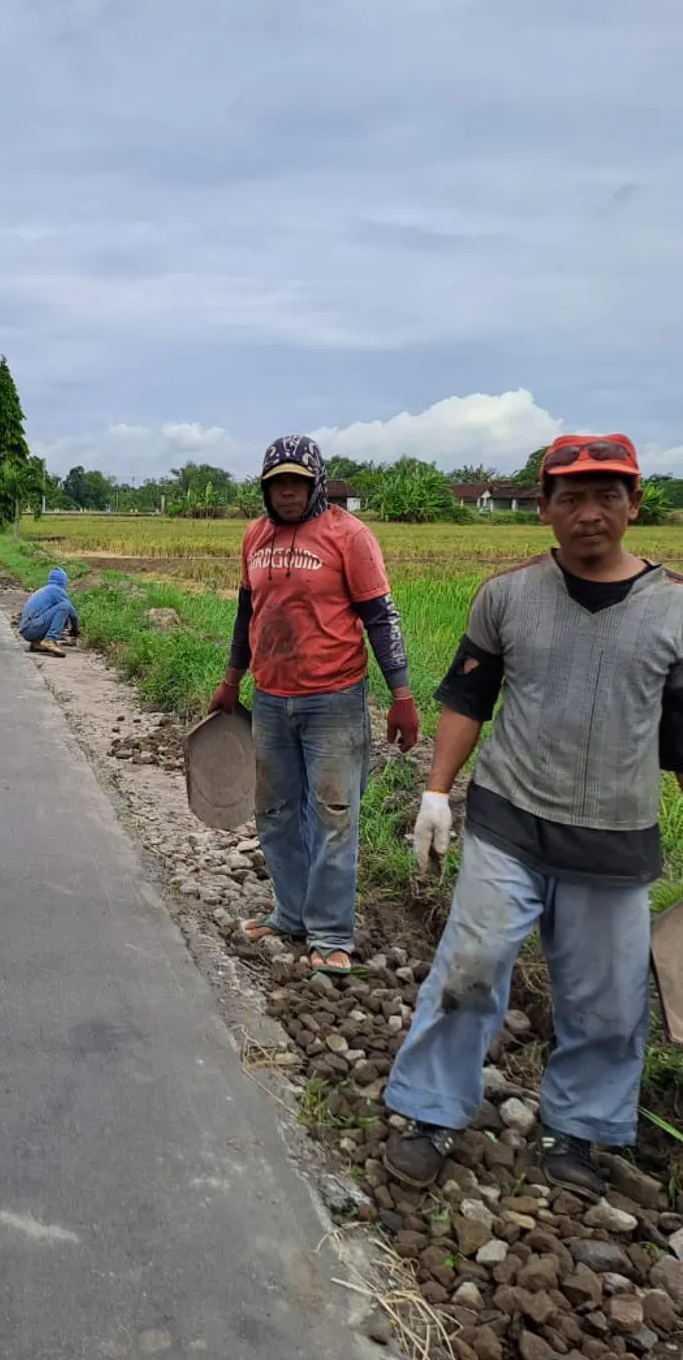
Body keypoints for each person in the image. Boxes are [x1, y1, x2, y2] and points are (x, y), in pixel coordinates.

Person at [384, 433, 683, 1198]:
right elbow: (467, 700)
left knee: (610, 1001)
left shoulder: (674, 609)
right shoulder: (507, 596)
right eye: (573, 497)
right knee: (470, 968)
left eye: (608, 496)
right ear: (544, 507)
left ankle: (577, 1130)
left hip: (616, 843)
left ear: (634, 505)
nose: (591, 514)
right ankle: (429, 1112)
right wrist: (436, 792)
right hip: (508, 821)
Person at [209, 435, 418, 974]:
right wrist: (231, 680)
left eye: (296, 483)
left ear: (316, 482)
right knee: (274, 813)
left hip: (334, 700)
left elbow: (380, 617)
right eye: (276, 484)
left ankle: (330, 933)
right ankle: (290, 914)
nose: (286, 494)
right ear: (264, 488)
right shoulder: (255, 536)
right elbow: (245, 615)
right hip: (272, 697)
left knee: (333, 814)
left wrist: (401, 695)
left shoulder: (350, 537)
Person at [19, 567, 79, 658]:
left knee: (62, 614)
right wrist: (75, 630)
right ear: (63, 580)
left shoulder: (44, 590)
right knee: (64, 607)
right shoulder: (57, 590)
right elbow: (72, 613)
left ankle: (38, 644)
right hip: (32, 628)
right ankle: (50, 639)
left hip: (27, 630)